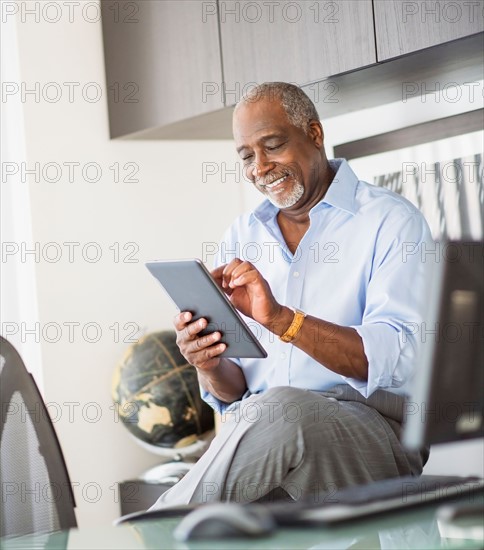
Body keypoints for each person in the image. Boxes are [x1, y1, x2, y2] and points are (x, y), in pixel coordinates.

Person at [151, 82, 433, 508]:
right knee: (263, 421)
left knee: (283, 410)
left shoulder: (391, 222)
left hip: (373, 437)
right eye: (247, 156)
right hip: (266, 438)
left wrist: (283, 320)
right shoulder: (240, 235)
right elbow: (234, 392)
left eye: (273, 145)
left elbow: (395, 358)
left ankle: (146, 536)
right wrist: (208, 364)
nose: (260, 167)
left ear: (314, 135)